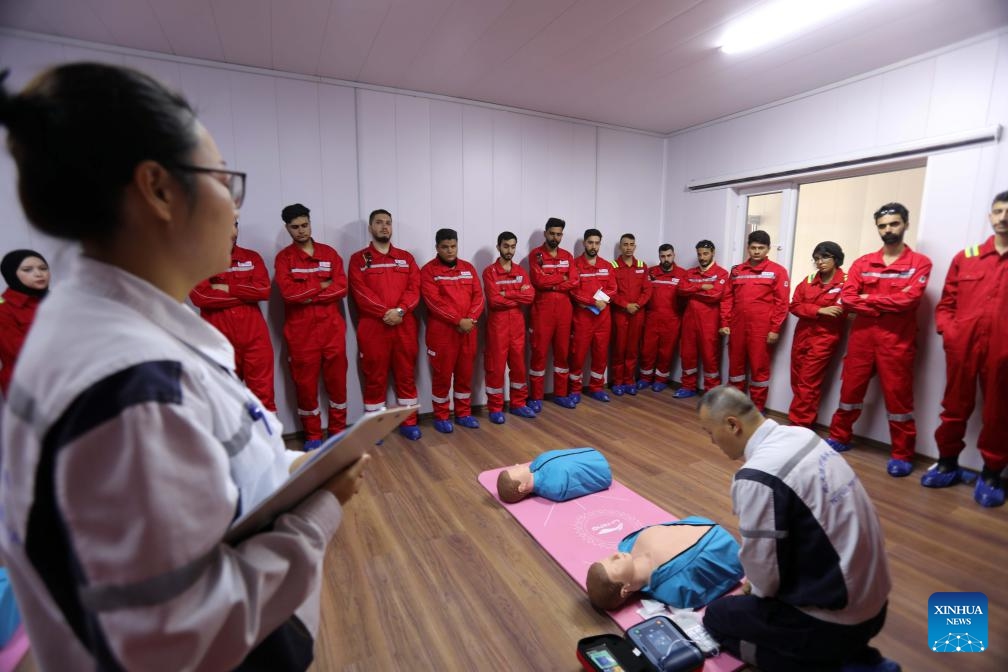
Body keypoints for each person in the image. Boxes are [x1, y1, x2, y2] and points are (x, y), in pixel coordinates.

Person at [0, 62, 369, 672]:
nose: (233, 206)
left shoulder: (128, 329)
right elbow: (181, 631)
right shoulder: (129, 387)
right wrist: (321, 506)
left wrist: (283, 470)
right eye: (226, 180)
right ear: (160, 190)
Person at [698, 386, 898, 672]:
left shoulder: (757, 476)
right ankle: (854, 654)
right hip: (876, 603)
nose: (712, 442)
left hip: (840, 621)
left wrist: (754, 586)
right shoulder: (803, 435)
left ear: (732, 425)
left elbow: (765, 578)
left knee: (718, 617)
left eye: (710, 432)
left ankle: (839, 666)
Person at [825, 203, 932, 478]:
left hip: (896, 342)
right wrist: (883, 303)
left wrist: (867, 300)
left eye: (894, 224)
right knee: (849, 393)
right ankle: (840, 436)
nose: (888, 230)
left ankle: (902, 453)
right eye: (883, 226)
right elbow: (847, 298)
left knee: (899, 400)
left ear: (905, 224)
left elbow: (909, 300)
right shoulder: (863, 263)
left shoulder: (920, 263)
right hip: (861, 340)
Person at [926, 190, 1008, 507]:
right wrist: (950, 333)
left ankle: (991, 474)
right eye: (998, 211)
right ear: (990, 216)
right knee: (954, 407)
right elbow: (946, 303)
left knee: (999, 413)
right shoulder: (967, 256)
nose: (1003, 217)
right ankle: (947, 463)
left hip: (1002, 353)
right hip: (962, 348)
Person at [275, 203, 349, 449]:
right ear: (287, 229)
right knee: (305, 388)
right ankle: (313, 436)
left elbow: (342, 287)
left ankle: (338, 432)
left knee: (337, 384)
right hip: (301, 335)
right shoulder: (284, 259)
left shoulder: (329, 254)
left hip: (333, 331)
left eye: (304, 225)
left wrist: (307, 292)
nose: (301, 231)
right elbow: (288, 294)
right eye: (295, 227)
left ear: (310, 223)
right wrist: (322, 285)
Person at [348, 209, 423, 440]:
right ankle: (375, 428)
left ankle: (409, 422)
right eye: (379, 223)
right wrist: (385, 313)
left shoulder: (406, 258)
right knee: (375, 377)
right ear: (370, 228)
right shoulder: (359, 259)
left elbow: (414, 289)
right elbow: (361, 292)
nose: (384, 227)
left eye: (388, 223)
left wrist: (399, 311)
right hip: (373, 328)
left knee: (406, 375)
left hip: (404, 326)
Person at [190, 220, 276, 412]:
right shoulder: (200, 260)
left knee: (264, 398)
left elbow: (263, 290)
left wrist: (225, 287)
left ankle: (269, 442)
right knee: (224, 401)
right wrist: (245, 295)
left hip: (256, 339)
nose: (231, 231)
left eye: (234, 225)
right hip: (219, 342)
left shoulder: (252, 258)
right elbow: (201, 297)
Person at [585, 517, 743, 611]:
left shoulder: (627, 544)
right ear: (625, 589)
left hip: (701, 524)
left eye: (608, 557)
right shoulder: (674, 590)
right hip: (721, 543)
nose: (615, 555)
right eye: (614, 565)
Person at [420, 228, 485, 433]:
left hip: (468, 332)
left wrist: (471, 319)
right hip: (442, 334)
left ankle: (463, 413)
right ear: (437, 248)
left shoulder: (468, 268)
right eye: (445, 247)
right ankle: (441, 416)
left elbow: (479, 297)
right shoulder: (428, 271)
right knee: (442, 376)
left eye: (453, 246)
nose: (450, 250)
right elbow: (433, 302)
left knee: (465, 375)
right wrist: (458, 320)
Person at [719, 230, 789, 412]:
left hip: (761, 328)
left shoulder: (777, 271)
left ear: (768, 249)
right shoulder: (737, 271)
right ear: (747, 248)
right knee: (736, 367)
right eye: (753, 247)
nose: (757, 251)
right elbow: (727, 298)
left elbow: (782, 303)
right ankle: (736, 406)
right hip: (737, 326)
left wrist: (775, 329)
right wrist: (725, 322)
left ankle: (757, 407)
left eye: (761, 248)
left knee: (759, 369)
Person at [787, 241, 847, 428]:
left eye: (825, 257)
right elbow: (794, 305)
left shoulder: (846, 281)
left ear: (836, 258)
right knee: (796, 379)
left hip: (824, 337)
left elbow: (839, 310)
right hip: (802, 335)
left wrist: (813, 310)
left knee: (808, 382)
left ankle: (800, 425)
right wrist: (820, 311)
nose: (820, 262)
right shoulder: (809, 279)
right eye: (817, 259)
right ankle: (804, 420)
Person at [482, 231, 536, 424]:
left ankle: (518, 403)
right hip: (498, 327)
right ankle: (495, 408)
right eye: (506, 246)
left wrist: (506, 292)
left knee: (519, 367)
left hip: (518, 327)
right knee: (495, 368)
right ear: (498, 247)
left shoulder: (521, 271)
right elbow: (494, 301)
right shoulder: (490, 271)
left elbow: (529, 297)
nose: (510, 250)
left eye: (513, 246)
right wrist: (517, 293)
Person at [527, 217, 578, 410]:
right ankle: (536, 397)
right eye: (552, 233)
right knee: (539, 353)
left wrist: (552, 281)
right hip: (542, 311)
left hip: (564, 311)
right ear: (545, 233)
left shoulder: (567, 256)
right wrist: (561, 278)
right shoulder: (536, 255)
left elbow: (574, 281)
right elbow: (538, 281)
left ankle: (560, 394)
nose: (555, 237)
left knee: (562, 354)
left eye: (559, 234)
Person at [674, 240, 728, 398]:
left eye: (705, 254)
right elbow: (680, 290)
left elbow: (715, 295)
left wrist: (692, 291)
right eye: (699, 254)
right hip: (689, 321)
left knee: (710, 356)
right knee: (687, 354)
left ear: (713, 253)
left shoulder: (722, 273)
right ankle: (687, 386)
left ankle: (711, 390)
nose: (702, 257)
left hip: (709, 322)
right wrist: (701, 287)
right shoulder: (690, 273)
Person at [568, 229, 617, 403]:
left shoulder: (607, 265)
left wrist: (599, 301)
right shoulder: (575, 265)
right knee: (578, 355)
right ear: (584, 243)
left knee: (600, 354)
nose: (593, 246)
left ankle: (597, 387)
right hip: (583, 318)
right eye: (590, 242)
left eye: (597, 243)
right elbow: (573, 290)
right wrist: (592, 301)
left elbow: (613, 288)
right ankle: (574, 390)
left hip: (603, 318)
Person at [0, 249, 49, 397]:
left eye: (43, 268)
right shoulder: (3, 308)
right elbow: (17, 351)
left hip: (61, 380)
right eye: (28, 270)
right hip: (25, 386)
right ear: (11, 273)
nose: (39, 274)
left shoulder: (57, 301)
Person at [639, 244, 686, 392]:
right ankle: (645, 378)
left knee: (666, 351)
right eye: (663, 256)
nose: (666, 259)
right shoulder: (651, 272)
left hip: (672, 319)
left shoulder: (682, 274)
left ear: (674, 255)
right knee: (647, 350)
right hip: (652, 317)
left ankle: (661, 379)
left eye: (669, 256)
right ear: (659, 256)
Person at [609, 233, 652, 396]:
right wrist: (626, 305)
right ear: (620, 247)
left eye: (631, 244)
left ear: (635, 246)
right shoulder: (612, 266)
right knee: (619, 348)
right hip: (620, 313)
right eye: (625, 244)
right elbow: (611, 291)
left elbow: (647, 290)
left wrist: (638, 305)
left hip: (637, 313)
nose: (628, 247)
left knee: (633, 348)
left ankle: (629, 380)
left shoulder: (642, 265)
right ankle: (618, 382)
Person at [496, 447, 612, 503]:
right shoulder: (554, 488)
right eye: (516, 470)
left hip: (589, 452)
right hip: (601, 468)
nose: (516, 465)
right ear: (522, 487)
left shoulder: (536, 464)